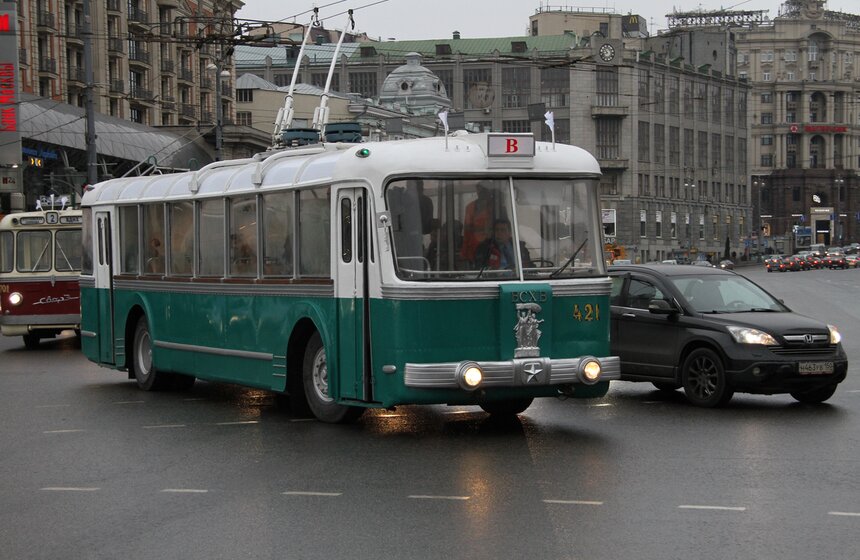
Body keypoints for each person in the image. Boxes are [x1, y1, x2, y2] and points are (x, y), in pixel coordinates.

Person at [461, 181, 499, 262]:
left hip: (494, 244)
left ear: (490, 190)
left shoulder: (497, 206)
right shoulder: (470, 207)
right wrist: (464, 252)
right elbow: (467, 231)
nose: (482, 193)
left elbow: (504, 226)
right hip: (474, 246)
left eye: (485, 190)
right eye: (480, 190)